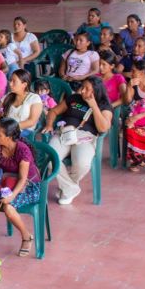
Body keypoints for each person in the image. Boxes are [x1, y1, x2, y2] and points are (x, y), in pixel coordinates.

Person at [42, 76, 113, 205]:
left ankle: (67, 186)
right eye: (82, 87)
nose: (82, 91)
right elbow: (53, 111)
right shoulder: (74, 98)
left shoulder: (104, 106)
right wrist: (49, 124)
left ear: (96, 91)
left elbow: (103, 128)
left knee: (82, 163)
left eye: (87, 88)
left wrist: (93, 106)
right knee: (50, 157)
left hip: (85, 137)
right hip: (65, 133)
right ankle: (71, 188)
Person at [0, 119, 42, 256]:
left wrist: (11, 196)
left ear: (9, 136)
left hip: (29, 185)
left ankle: (27, 236)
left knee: (8, 207)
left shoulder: (22, 150)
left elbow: (23, 178)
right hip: (8, 183)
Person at [0, 69, 42, 138]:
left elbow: (31, 121)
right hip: (5, 131)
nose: (10, 84)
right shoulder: (7, 97)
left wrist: (8, 129)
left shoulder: (34, 98)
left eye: (14, 81)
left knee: (7, 140)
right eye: (10, 80)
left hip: (25, 131)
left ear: (24, 84)